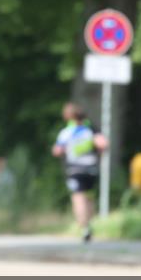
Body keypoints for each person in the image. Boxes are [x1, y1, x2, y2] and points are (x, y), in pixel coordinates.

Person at [52, 102, 108, 243]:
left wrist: (67, 149)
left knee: (78, 197)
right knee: (88, 198)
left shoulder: (67, 132)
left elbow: (57, 151)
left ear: (68, 117)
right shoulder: (90, 129)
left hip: (74, 169)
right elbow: (103, 144)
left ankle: (84, 227)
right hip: (91, 168)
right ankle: (88, 224)